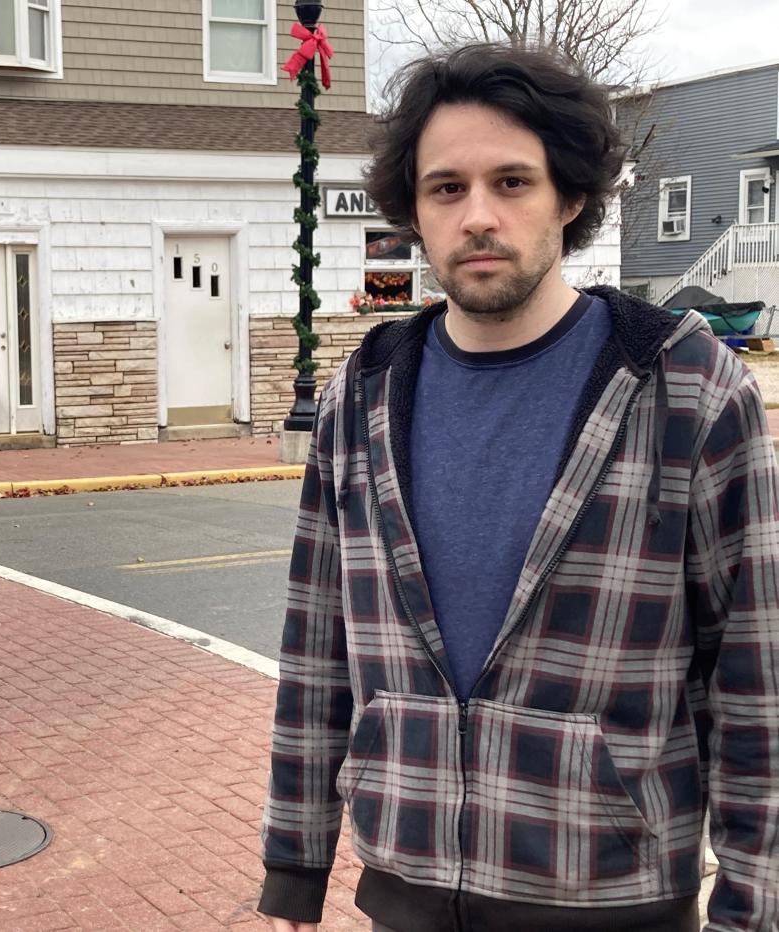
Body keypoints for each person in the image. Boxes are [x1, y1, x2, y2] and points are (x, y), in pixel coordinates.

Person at [258, 42, 779, 932]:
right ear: (414, 210)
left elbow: (755, 677)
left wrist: (752, 905)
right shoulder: (366, 389)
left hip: (610, 894)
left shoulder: (681, 383)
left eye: (512, 182)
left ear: (568, 196)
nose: (478, 217)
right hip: (406, 890)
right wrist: (295, 865)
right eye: (447, 188)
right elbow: (318, 643)